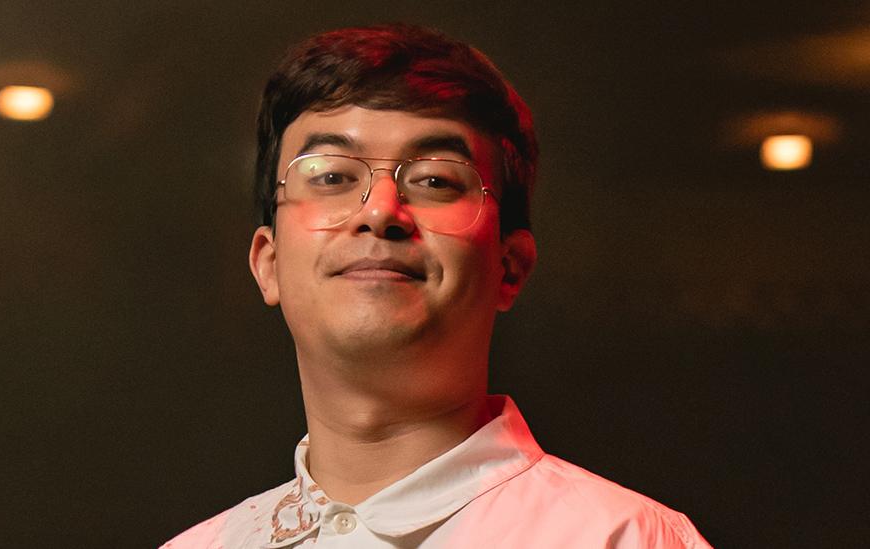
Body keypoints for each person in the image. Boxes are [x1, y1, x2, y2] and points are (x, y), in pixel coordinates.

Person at [163, 23, 711, 548]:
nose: (380, 211)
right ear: (268, 262)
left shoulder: (627, 539)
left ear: (510, 265)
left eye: (434, 180)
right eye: (332, 176)